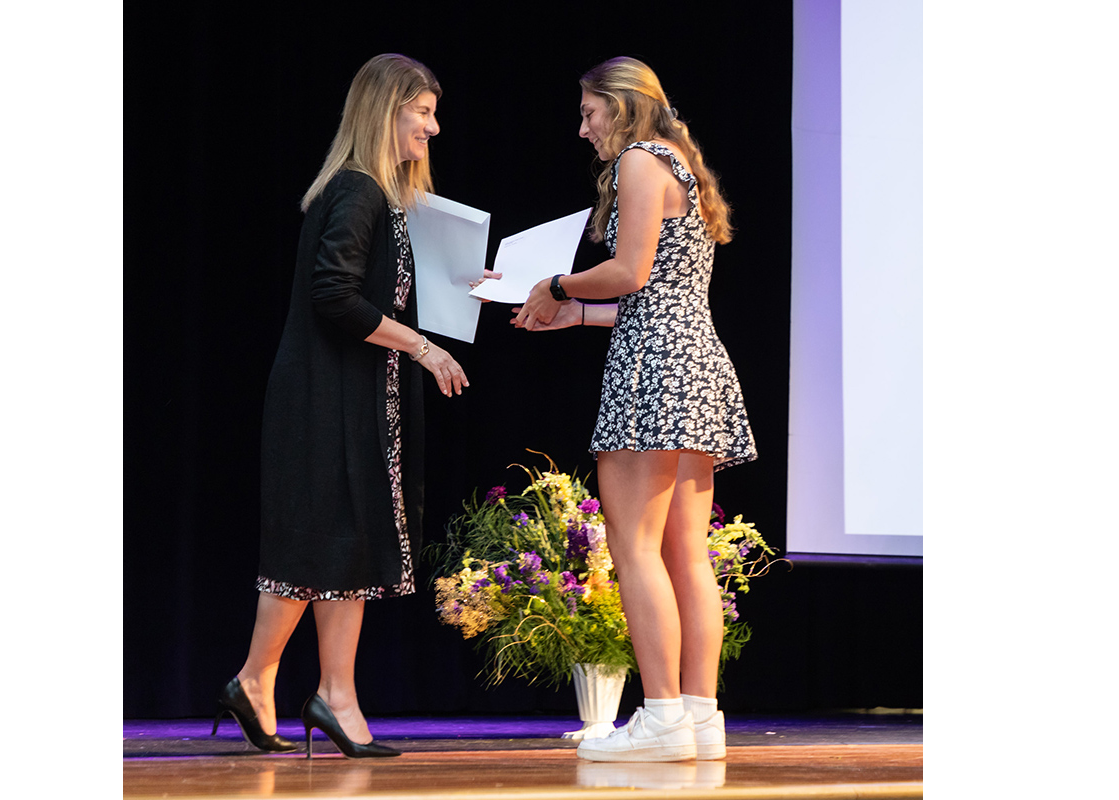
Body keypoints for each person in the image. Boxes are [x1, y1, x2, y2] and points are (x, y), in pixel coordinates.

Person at [212, 54, 470, 759]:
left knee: (338, 548)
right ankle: (292, 687)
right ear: (385, 109)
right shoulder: (357, 190)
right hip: (327, 401)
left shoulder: (379, 194)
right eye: (422, 110)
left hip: (348, 398)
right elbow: (335, 298)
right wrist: (424, 347)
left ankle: (296, 688)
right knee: (325, 547)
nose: (433, 126)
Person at [513, 57, 757, 762]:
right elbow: (655, 296)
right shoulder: (678, 160)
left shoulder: (640, 162)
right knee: (685, 550)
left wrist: (554, 284)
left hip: (656, 370)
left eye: (590, 113)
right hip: (691, 358)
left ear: (622, 108)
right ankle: (700, 718)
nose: (583, 128)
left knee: (634, 544)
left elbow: (633, 271)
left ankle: (659, 716)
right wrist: (577, 314)